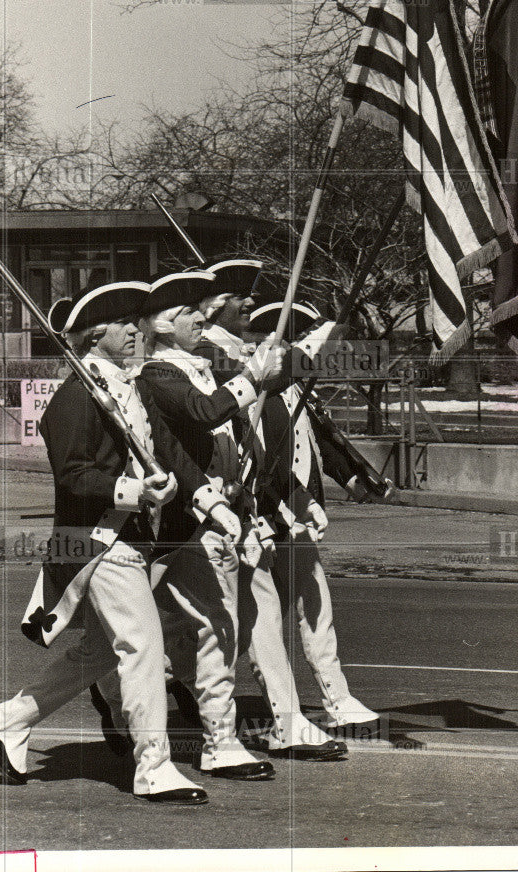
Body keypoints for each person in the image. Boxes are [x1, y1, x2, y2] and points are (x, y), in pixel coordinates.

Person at [0, 280, 237, 804]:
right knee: (142, 645)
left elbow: (169, 453)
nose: (136, 331)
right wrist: (133, 489)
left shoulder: (131, 387)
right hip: (95, 542)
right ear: (96, 336)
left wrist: (212, 502)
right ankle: (153, 767)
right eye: (123, 325)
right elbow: (72, 477)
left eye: (136, 323)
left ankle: (10, 718)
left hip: (132, 540)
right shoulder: (75, 396)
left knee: (98, 651)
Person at [94, 270, 284, 780]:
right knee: (215, 628)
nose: (202, 317)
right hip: (183, 524)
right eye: (187, 313)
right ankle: (218, 742)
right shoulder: (159, 373)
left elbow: (239, 428)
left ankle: (104, 687)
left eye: (203, 308)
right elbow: (202, 415)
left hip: (217, 514)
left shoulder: (202, 366)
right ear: (160, 326)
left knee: (178, 626)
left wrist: (304, 350)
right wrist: (250, 380)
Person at [198, 259, 347, 760]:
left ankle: (285, 721)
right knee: (154, 632)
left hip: (243, 507)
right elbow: (227, 413)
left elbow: (269, 432)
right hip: (192, 508)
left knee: (248, 614)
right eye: (241, 297)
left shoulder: (235, 351)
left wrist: (291, 499)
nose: (248, 306)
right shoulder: (207, 355)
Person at [247, 300, 386, 734]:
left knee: (314, 606)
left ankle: (336, 697)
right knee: (236, 622)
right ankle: (152, 679)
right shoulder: (263, 394)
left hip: (297, 519)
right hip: (263, 518)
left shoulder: (299, 391)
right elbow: (261, 459)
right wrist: (292, 503)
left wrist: (353, 481)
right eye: (314, 341)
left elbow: (321, 443)